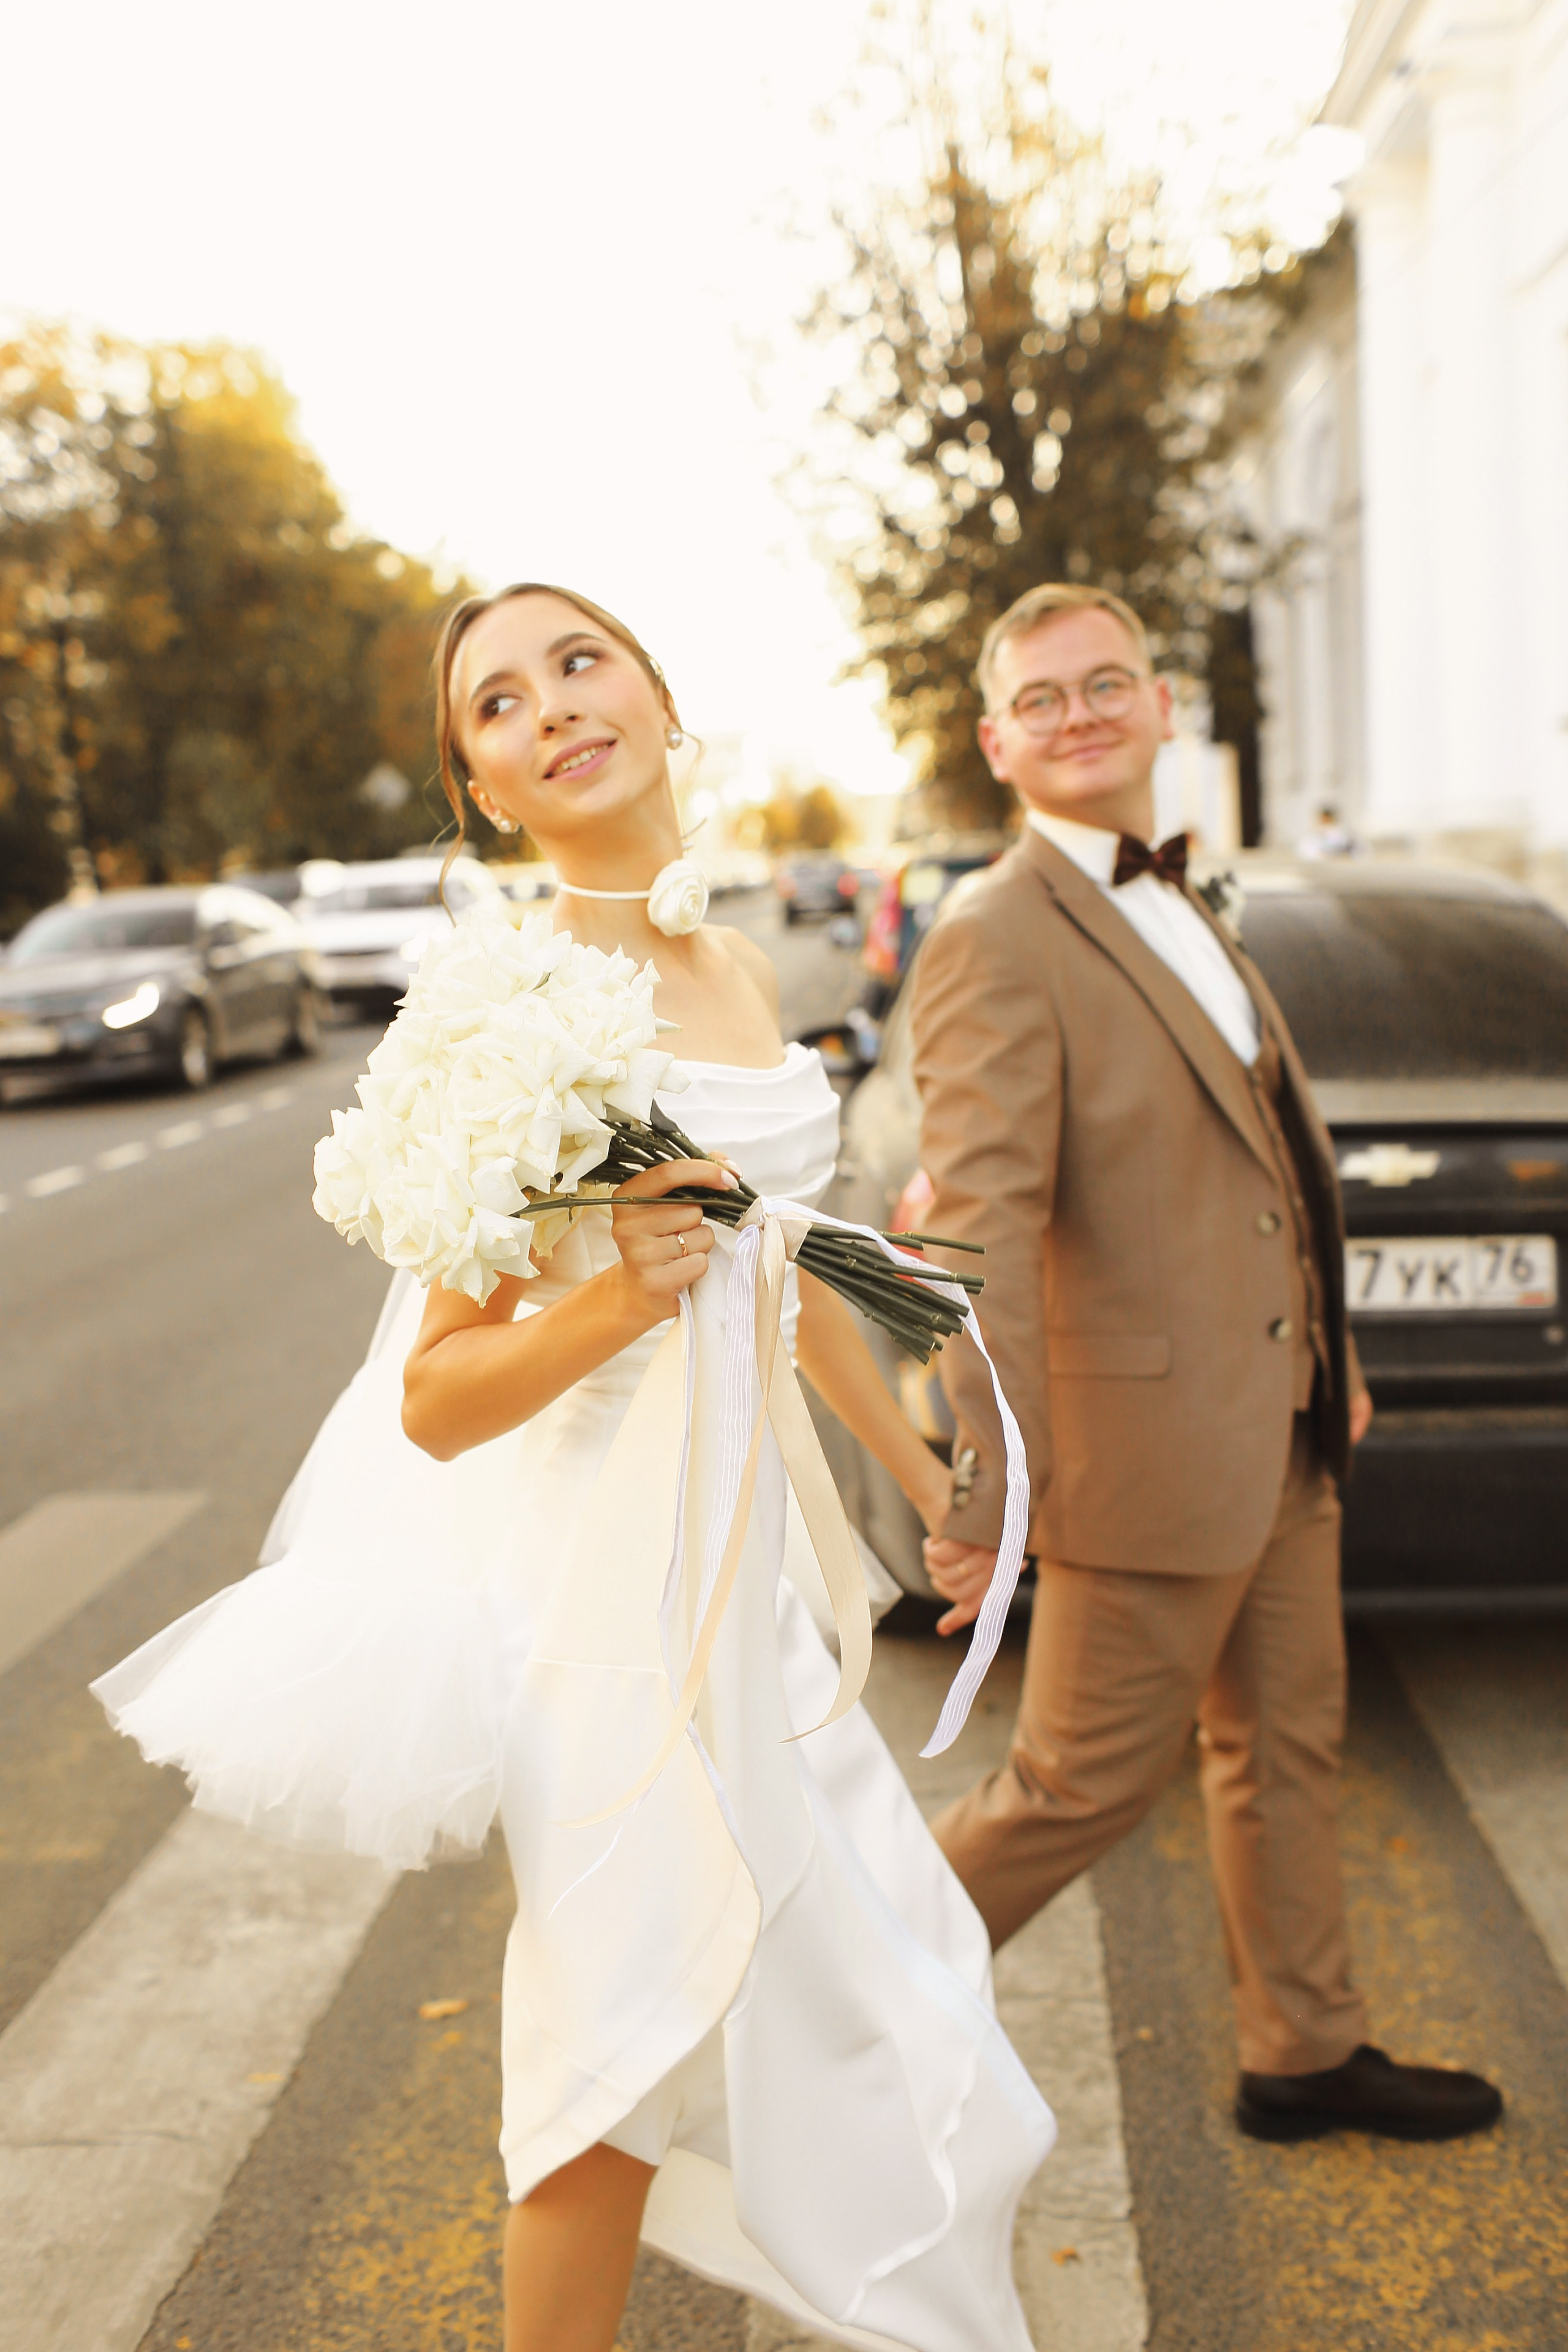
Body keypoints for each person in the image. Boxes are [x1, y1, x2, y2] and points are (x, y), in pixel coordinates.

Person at [94, 582, 1054, 2352]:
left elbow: (781, 1275)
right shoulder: (503, 1010)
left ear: (664, 695)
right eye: (499, 706)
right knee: (609, 2052)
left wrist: (928, 1494)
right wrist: (615, 1300)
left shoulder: (743, 966)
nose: (551, 708)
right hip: (595, 1618)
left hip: (748, 1592)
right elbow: (441, 1397)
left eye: (578, 662)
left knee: (872, 1987)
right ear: (488, 794)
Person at [910, 581, 1502, 2145]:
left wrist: (1332, 1358)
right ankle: (832, 1997)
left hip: (1286, 1424)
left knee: (1281, 1749)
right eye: (1042, 698)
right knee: (1074, 1791)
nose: (1080, 713)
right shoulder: (994, 938)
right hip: (1141, 1452)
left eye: (1106, 683)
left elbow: (1267, 1165)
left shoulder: (1183, 900)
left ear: (1163, 707)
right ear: (996, 744)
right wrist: (992, 1482)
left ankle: (1300, 2053)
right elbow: (976, 1235)